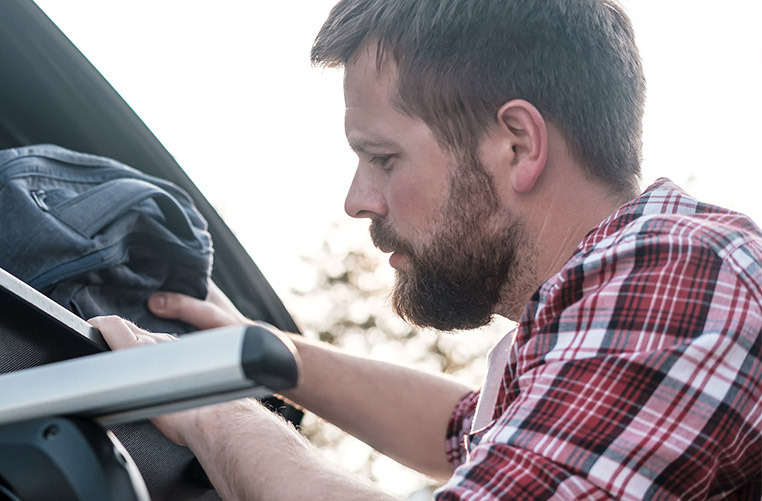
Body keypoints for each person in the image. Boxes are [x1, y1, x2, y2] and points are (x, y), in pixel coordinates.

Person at [91, 0, 762, 498]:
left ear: (516, 146)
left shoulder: (682, 274)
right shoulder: (609, 306)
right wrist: (270, 352)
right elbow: (459, 427)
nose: (358, 199)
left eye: (383, 157)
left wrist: (212, 412)